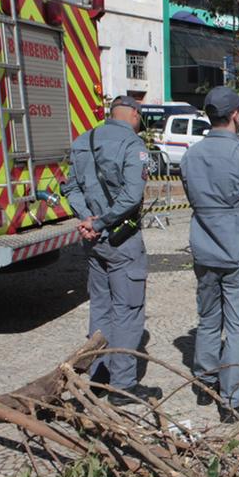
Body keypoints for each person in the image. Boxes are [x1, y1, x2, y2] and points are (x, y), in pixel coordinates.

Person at [181, 87, 239, 423]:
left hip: (204, 252)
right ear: (236, 114)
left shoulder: (191, 156)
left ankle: (204, 385)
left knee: (208, 320)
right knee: (237, 327)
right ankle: (232, 400)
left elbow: (192, 198)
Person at [63, 95, 161, 406]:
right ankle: (124, 385)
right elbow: (132, 196)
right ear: (134, 114)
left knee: (100, 307)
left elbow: (70, 187)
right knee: (128, 311)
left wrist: (87, 218)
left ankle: (99, 377)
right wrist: (103, 221)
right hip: (121, 239)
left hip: (93, 241)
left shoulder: (83, 141)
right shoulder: (134, 146)